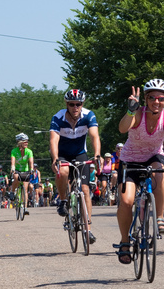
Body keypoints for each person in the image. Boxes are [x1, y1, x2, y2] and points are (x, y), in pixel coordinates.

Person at [115, 79, 164, 264]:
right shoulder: (137, 114)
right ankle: (125, 242)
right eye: (152, 98)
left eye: (161, 98)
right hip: (130, 159)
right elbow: (122, 128)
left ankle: (159, 218)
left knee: (161, 172)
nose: (156, 102)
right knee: (126, 202)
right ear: (145, 98)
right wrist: (130, 110)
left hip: (153, 157)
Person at [49, 89, 102, 244]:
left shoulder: (89, 115)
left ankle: (88, 229)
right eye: (71, 104)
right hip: (63, 154)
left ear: (82, 104)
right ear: (67, 104)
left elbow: (94, 136)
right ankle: (63, 200)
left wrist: (97, 154)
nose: (75, 107)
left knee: (85, 189)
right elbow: (53, 140)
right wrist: (55, 159)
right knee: (63, 171)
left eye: (78, 104)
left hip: (80, 153)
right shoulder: (58, 118)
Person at [10, 132, 34, 215]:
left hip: (26, 170)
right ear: (20, 143)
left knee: (25, 188)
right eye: (25, 142)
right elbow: (12, 162)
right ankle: (12, 192)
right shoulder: (14, 151)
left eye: (27, 141)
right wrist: (12, 168)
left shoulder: (29, 151)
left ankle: (25, 207)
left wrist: (31, 169)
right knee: (16, 177)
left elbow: (31, 161)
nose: (26, 143)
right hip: (17, 170)